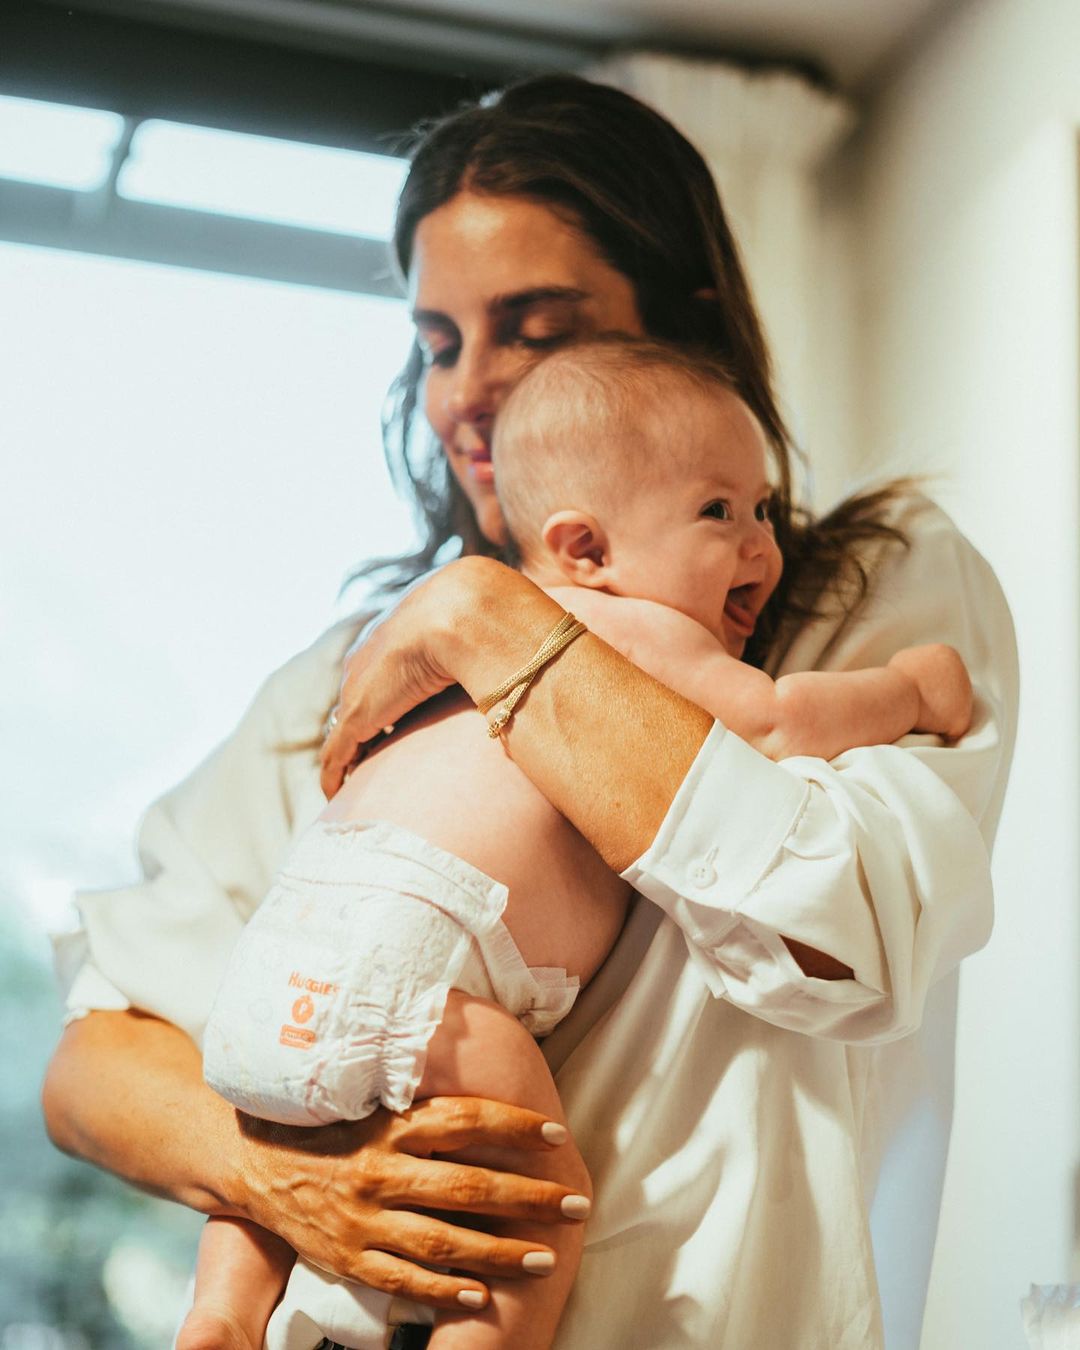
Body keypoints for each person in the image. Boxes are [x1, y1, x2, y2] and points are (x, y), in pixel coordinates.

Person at [41, 75, 1018, 1350]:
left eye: (535, 328)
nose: (468, 397)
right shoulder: (354, 674)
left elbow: (841, 942)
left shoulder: (873, 587)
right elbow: (97, 1060)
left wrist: (500, 624)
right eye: (441, 343)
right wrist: (287, 1183)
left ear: (687, 328)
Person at [177, 336, 973, 1350]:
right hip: (415, 968)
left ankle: (222, 1313)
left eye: (763, 508)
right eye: (719, 513)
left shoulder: (429, 645)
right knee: (540, 1191)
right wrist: (910, 691)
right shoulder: (619, 626)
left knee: (281, 1146)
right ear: (587, 550)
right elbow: (774, 721)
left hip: (276, 958)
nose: (762, 547)